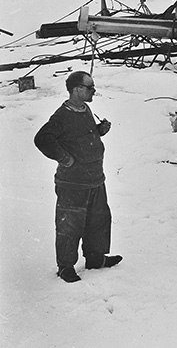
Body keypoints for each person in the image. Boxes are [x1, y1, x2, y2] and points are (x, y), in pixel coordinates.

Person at [34, 71, 122, 283]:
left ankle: (95, 258)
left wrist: (99, 131)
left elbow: (79, 136)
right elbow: (42, 139)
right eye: (90, 87)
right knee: (70, 225)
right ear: (77, 89)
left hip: (95, 179)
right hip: (73, 183)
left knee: (98, 220)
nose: (94, 90)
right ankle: (65, 267)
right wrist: (64, 158)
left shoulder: (85, 108)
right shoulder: (61, 116)